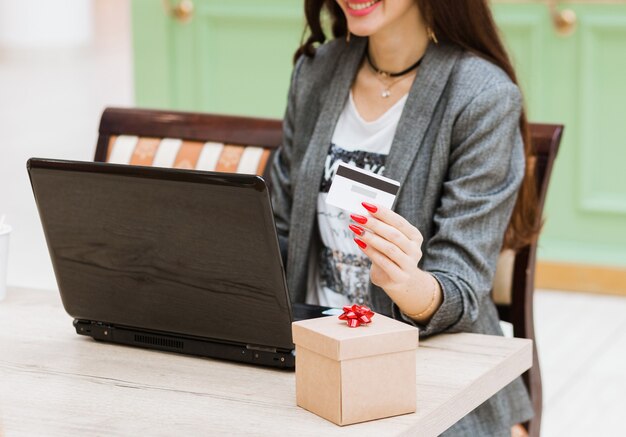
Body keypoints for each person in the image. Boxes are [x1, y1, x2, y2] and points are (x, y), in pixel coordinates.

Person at [270, 1, 538, 435]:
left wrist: (405, 283)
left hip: (426, 371)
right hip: (312, 360)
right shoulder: (317, 71)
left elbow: (462, 285)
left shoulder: (481, 95)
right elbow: (278, 231)